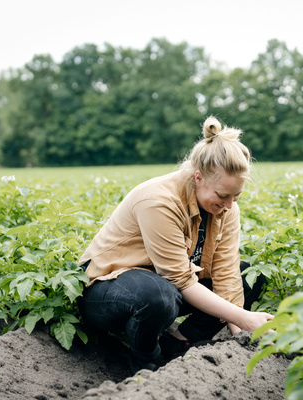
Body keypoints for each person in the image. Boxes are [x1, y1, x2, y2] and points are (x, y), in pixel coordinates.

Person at [77, 116, 274, 372]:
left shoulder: (227, 209)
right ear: (198, 177)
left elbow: (226, 273)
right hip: (105, 290)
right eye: (223, 196)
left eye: (236, 196)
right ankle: (143, 362)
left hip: (162, 283)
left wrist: (241, 336)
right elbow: (180, 280)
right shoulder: (158, 200)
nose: (229, 205)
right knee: (158, 295)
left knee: (248, 276)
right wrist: (245, 318)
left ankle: (176, 346)